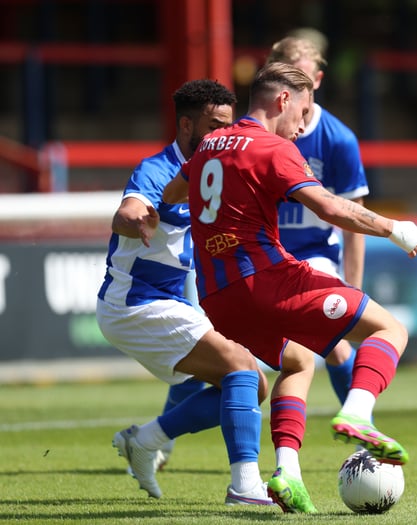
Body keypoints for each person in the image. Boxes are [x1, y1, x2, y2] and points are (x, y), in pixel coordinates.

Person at [163, 62, 417, 513]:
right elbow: (328, 207)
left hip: (217, 298)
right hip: (269, 280)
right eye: (303, 112)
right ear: (283, 100)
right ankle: (358, 414)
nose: (304, 126)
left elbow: (171, 194)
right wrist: (392, 228)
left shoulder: (207, 146)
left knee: (299, 361)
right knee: (391, 330)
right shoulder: (271, 148)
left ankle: (288, 473)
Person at [96, 79, 273, 505]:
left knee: (255, 384)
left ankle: (146, 439)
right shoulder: (157, 170)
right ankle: (245, 486)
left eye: (228, 127)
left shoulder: (216, 172)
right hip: (134, 302)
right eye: (213, 127)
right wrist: (135, 221)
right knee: (239, 368)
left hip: (171, 301)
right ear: (186, 125)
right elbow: (128, 210)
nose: (222, 137)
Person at [266, 35, 369, 405]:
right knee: (218, 354)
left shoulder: (338, 139)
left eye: (305, 83)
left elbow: (353, 220)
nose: (298, 94)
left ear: (319, 81)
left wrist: (353, 288)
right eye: (290, 83)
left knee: (334, 347)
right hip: (257, 259)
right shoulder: (257, 137)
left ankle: (362, 430)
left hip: (312, 256)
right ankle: (157, 438)